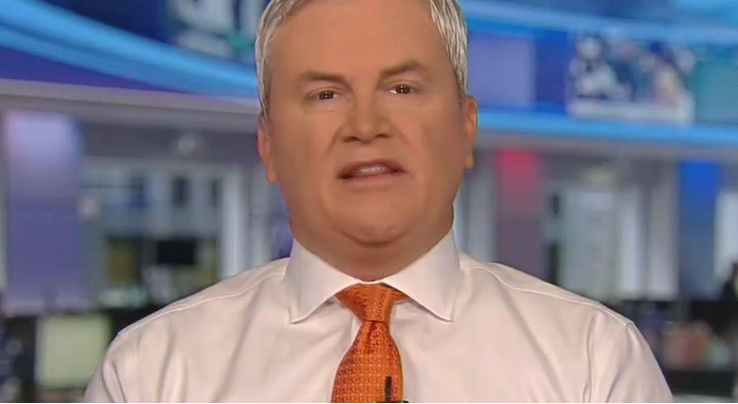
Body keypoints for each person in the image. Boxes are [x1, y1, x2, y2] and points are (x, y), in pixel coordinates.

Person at [85, 0, 672, 401]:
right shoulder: (153, 371)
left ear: (465, 129)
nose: (366, 125)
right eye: (325, 94)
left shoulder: (593, 362)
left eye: (402, 88)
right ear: (269, 145)